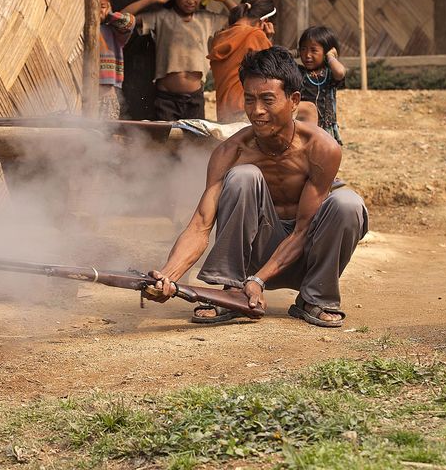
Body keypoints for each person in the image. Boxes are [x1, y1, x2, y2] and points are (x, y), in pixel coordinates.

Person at [145, 47, 368, 328]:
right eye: (249, 100)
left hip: (305, 257)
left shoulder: (322, 147)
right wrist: (168, 276)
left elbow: (302, 230)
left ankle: (315, 297)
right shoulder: (232, 151)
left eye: (267, 100)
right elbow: (201, 224)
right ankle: (229, 291)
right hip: (255, 253)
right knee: (243, 176)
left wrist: (259, 280)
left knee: (348, 204)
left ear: (294, 100)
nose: (257, 111)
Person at [123, 0, 236, 120]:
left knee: (193, 143)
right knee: (165, 143)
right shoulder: (161, 17)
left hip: (195, 99)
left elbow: (243, 20)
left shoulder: (208, 19)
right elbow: (122, 17)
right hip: (166, 100)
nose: (191, 0)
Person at [208, 0, 276, 123]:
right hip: (247, 109)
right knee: (309, 109)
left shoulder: (220, 36)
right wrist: (269, 39)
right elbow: (274, 70)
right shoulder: (255, 35)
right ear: (265, 21)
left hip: (224, 112)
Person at [295, 26, 347, 144]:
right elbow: (281, 56)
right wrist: (295, 53)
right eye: (303, 49)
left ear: (325, 52)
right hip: (304, 126)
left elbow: (340, 72)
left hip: (325, 129)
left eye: (314, 50)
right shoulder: (298, 72)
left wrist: (331, 56)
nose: (307, 55)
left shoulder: (330, 74)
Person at [97, 0, 135, 119]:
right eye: (92, 5)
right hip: (82, 96)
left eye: (102, 6)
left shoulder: (114, 31)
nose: (97, 10)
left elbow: (129, 22)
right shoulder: (78, 29)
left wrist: (109, 15)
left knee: (105, 135)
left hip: (106, 97)